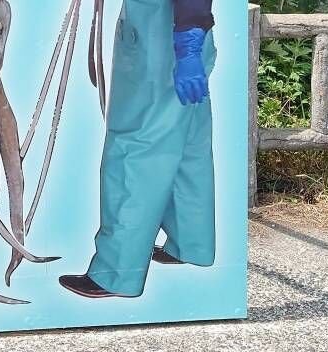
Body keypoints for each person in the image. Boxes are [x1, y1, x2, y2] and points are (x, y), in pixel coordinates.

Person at [60, 0, 217, 299]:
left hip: (163, 38)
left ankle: (116, 273)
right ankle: (190, 243)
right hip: (178, 29)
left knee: (137, 149)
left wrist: (188, 44)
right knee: (188, 140)